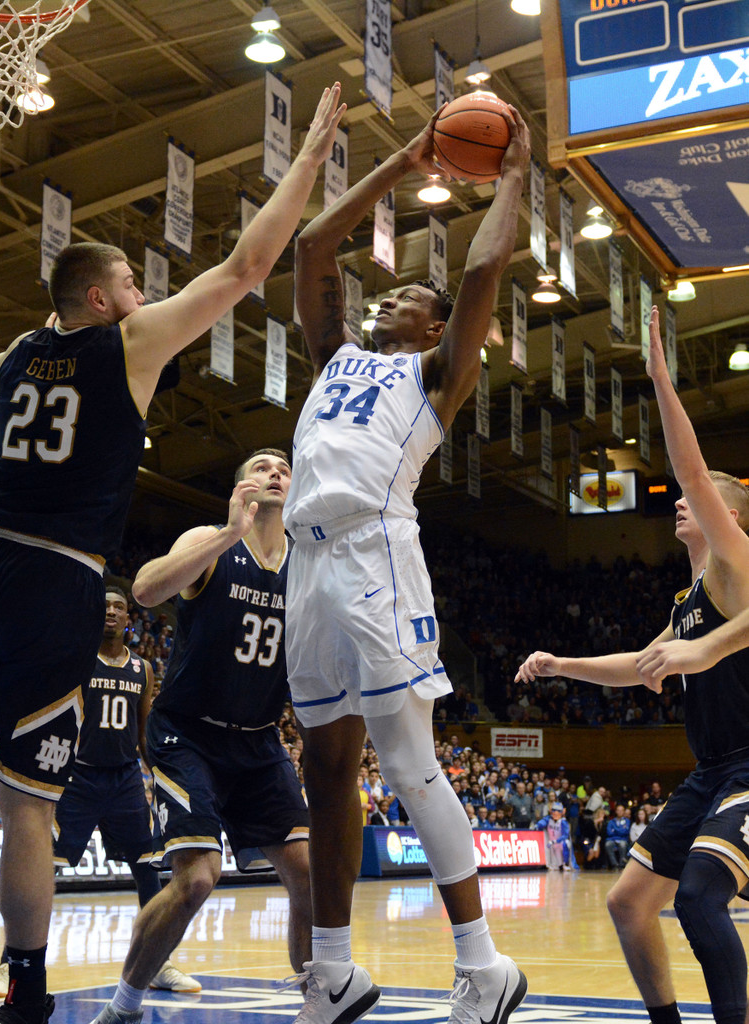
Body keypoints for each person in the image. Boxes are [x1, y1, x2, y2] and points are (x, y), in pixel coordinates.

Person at [0, 82, 343, 1024]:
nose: (144, 292)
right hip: (54, 573)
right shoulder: (125, 342)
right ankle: (29, 990)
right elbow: (250, 266)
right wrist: (308, 153)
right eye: (132, 280)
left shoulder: (18, 350)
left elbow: (8, 377)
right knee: (26, 806)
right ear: (102, 298)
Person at [282, 101, 531, 1024]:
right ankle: (334, 972)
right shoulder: (333, 359)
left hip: (375, 554)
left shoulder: (434, 376)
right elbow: (311, 249)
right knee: (324, 772)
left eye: (409, 300)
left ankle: (483, 966)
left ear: (434, 330)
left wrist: (508, 178)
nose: (391, 299)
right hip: (305, 569)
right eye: (389, 295)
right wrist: (401, 160)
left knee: (410, 762)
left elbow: (480, 271)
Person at [516, 305, 749, 1024]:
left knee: (700, 898)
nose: (684, 498)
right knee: (626, 903)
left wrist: (658, 378)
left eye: (704, 495)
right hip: (711, 769)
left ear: (729, 515)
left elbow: (686, 467)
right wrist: (563, 664)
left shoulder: (737, 563)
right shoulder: (687, 598)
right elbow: (638, 664)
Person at [89, 449, 311, 1024]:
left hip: (260, 741)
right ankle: (124, 1006)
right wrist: (228, 532)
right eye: (261, 466)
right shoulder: (210, 540)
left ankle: (316, 997)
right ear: (240, 487)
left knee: (310, 872)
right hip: (188, 734)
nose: (275, 471)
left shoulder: (307, 562)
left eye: (284, 466)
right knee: (196, 882)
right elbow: (142, 590)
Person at [0, 587, 198, 1001]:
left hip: (126, 781)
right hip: (78, 779)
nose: (112, 612)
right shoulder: (78, 661)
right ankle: (10, 960)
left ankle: (159, 961)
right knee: (41, 865)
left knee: (147, 869)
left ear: (129, 619)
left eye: (119, 607)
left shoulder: (144, 669)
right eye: (105, 607)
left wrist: (160, 775)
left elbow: (143, 731)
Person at [604, 804, 630, 870]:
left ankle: (621, 864)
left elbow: (625, 832)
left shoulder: (627, 821)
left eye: (622, 810)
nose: (620, 812)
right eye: (618, 810)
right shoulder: (611, 821)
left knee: (622, 844)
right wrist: (620, 829)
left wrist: (614, 829)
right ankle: (614, 864)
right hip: (612, 839)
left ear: (624, 811)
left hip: (623, 839)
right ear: (616, 811)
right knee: (608, 844)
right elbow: (609, 832)